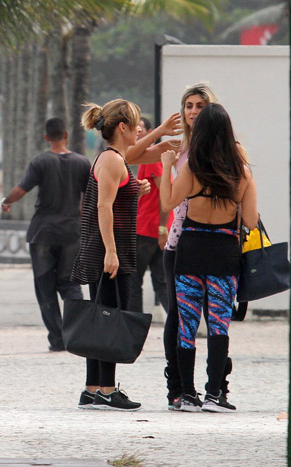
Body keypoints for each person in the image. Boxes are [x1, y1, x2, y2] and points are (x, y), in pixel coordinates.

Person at [159, 103, 257, 412]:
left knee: (187, 324)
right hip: (224, 253)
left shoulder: (192, 168)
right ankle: (215, 392)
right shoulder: (242, 172)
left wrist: (165, 166)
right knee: (219, 324)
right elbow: (251, 222)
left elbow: (168, 202)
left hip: (190, 250)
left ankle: (187, 394)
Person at [70, 100, 150, 411]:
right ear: (122, 128)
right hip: (107, 251)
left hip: (101, 248)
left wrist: (136, 190)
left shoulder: (113, 159)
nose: (140, 129)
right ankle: (106, 388)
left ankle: (92, 388)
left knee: (99, 317)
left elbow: (115, 199)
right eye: (137, 124)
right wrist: (112, 252)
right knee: (110, 318)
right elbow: (104, 207)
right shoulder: (113, 160)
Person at [0, 118, 90, 351]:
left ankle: (57, 339)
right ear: (66, 135)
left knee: (45, 286)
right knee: (71, 284)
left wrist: (7, 201)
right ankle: (77, 336)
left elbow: (22, 188)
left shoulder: (40, 162)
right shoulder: (82, 163)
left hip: (43, 232)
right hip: (71, 232)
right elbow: (89, 196)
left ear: (46, 137)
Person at [127, 117, 172, 314]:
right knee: (161, 282)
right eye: (134, 130)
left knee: (133, 280)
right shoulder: (153, 158)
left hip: (148, 228)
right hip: (156, 228)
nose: (137, 133)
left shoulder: (152, 159)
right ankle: (179, 325)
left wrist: (162, 229)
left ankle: (135, 329)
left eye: (141, 130)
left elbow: (165, 194)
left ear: (150, 132)